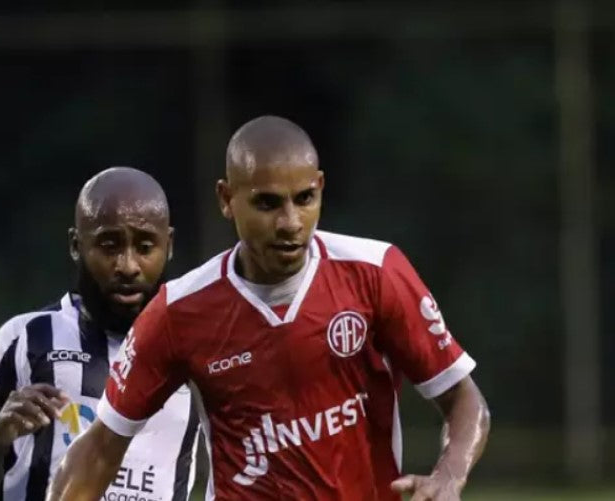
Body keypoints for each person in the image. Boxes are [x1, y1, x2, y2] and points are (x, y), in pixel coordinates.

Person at [49, 116, 491, 501]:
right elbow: (102, 446)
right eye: (267, 203)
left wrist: (449, 477)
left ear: (320, 187)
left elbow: (464, 398)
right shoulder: (177, 313)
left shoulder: (375, 272)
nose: (290, 222)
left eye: (304, 198)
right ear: (226, 199)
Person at [0, 167, 199, 501]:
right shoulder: (25, 339)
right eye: (109, 246)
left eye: (145, 247)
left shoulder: (196, 352)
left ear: (169, 245)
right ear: (76, 245)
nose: (128, 265)